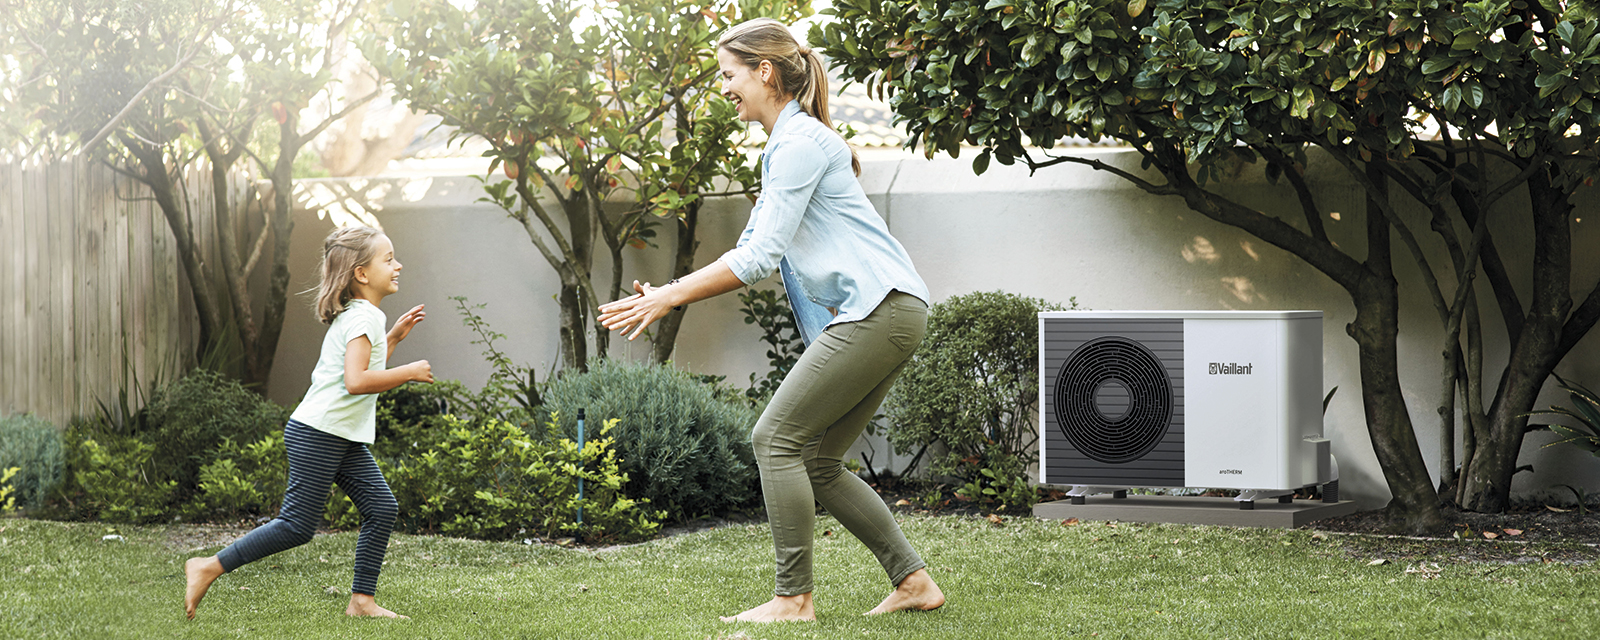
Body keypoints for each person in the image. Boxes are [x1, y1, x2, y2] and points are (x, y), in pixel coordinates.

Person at [597, 18, 945, 623]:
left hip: (880, 308)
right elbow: (757, 243)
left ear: (764, 71)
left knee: (774, 439)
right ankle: (913, 581)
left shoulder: (798, 144)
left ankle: (793, 599)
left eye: (729, 75)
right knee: (816, 460)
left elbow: (756, 259)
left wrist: (671, 297)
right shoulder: (789, 145)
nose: (724, 88)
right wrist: (669, 292)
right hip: (888, 310)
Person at [183, 225, 433, 620]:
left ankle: (362, 602)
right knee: (297, 525)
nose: (398, 265)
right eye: (389, 259)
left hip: (336, 433)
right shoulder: (363, 317)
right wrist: (408, 371)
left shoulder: (361, 315)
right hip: (320, 433)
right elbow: (356, 382)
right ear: (361, 274)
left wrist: (394, 339)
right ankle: (207, 567)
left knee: (381, 507)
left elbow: (355, 370)